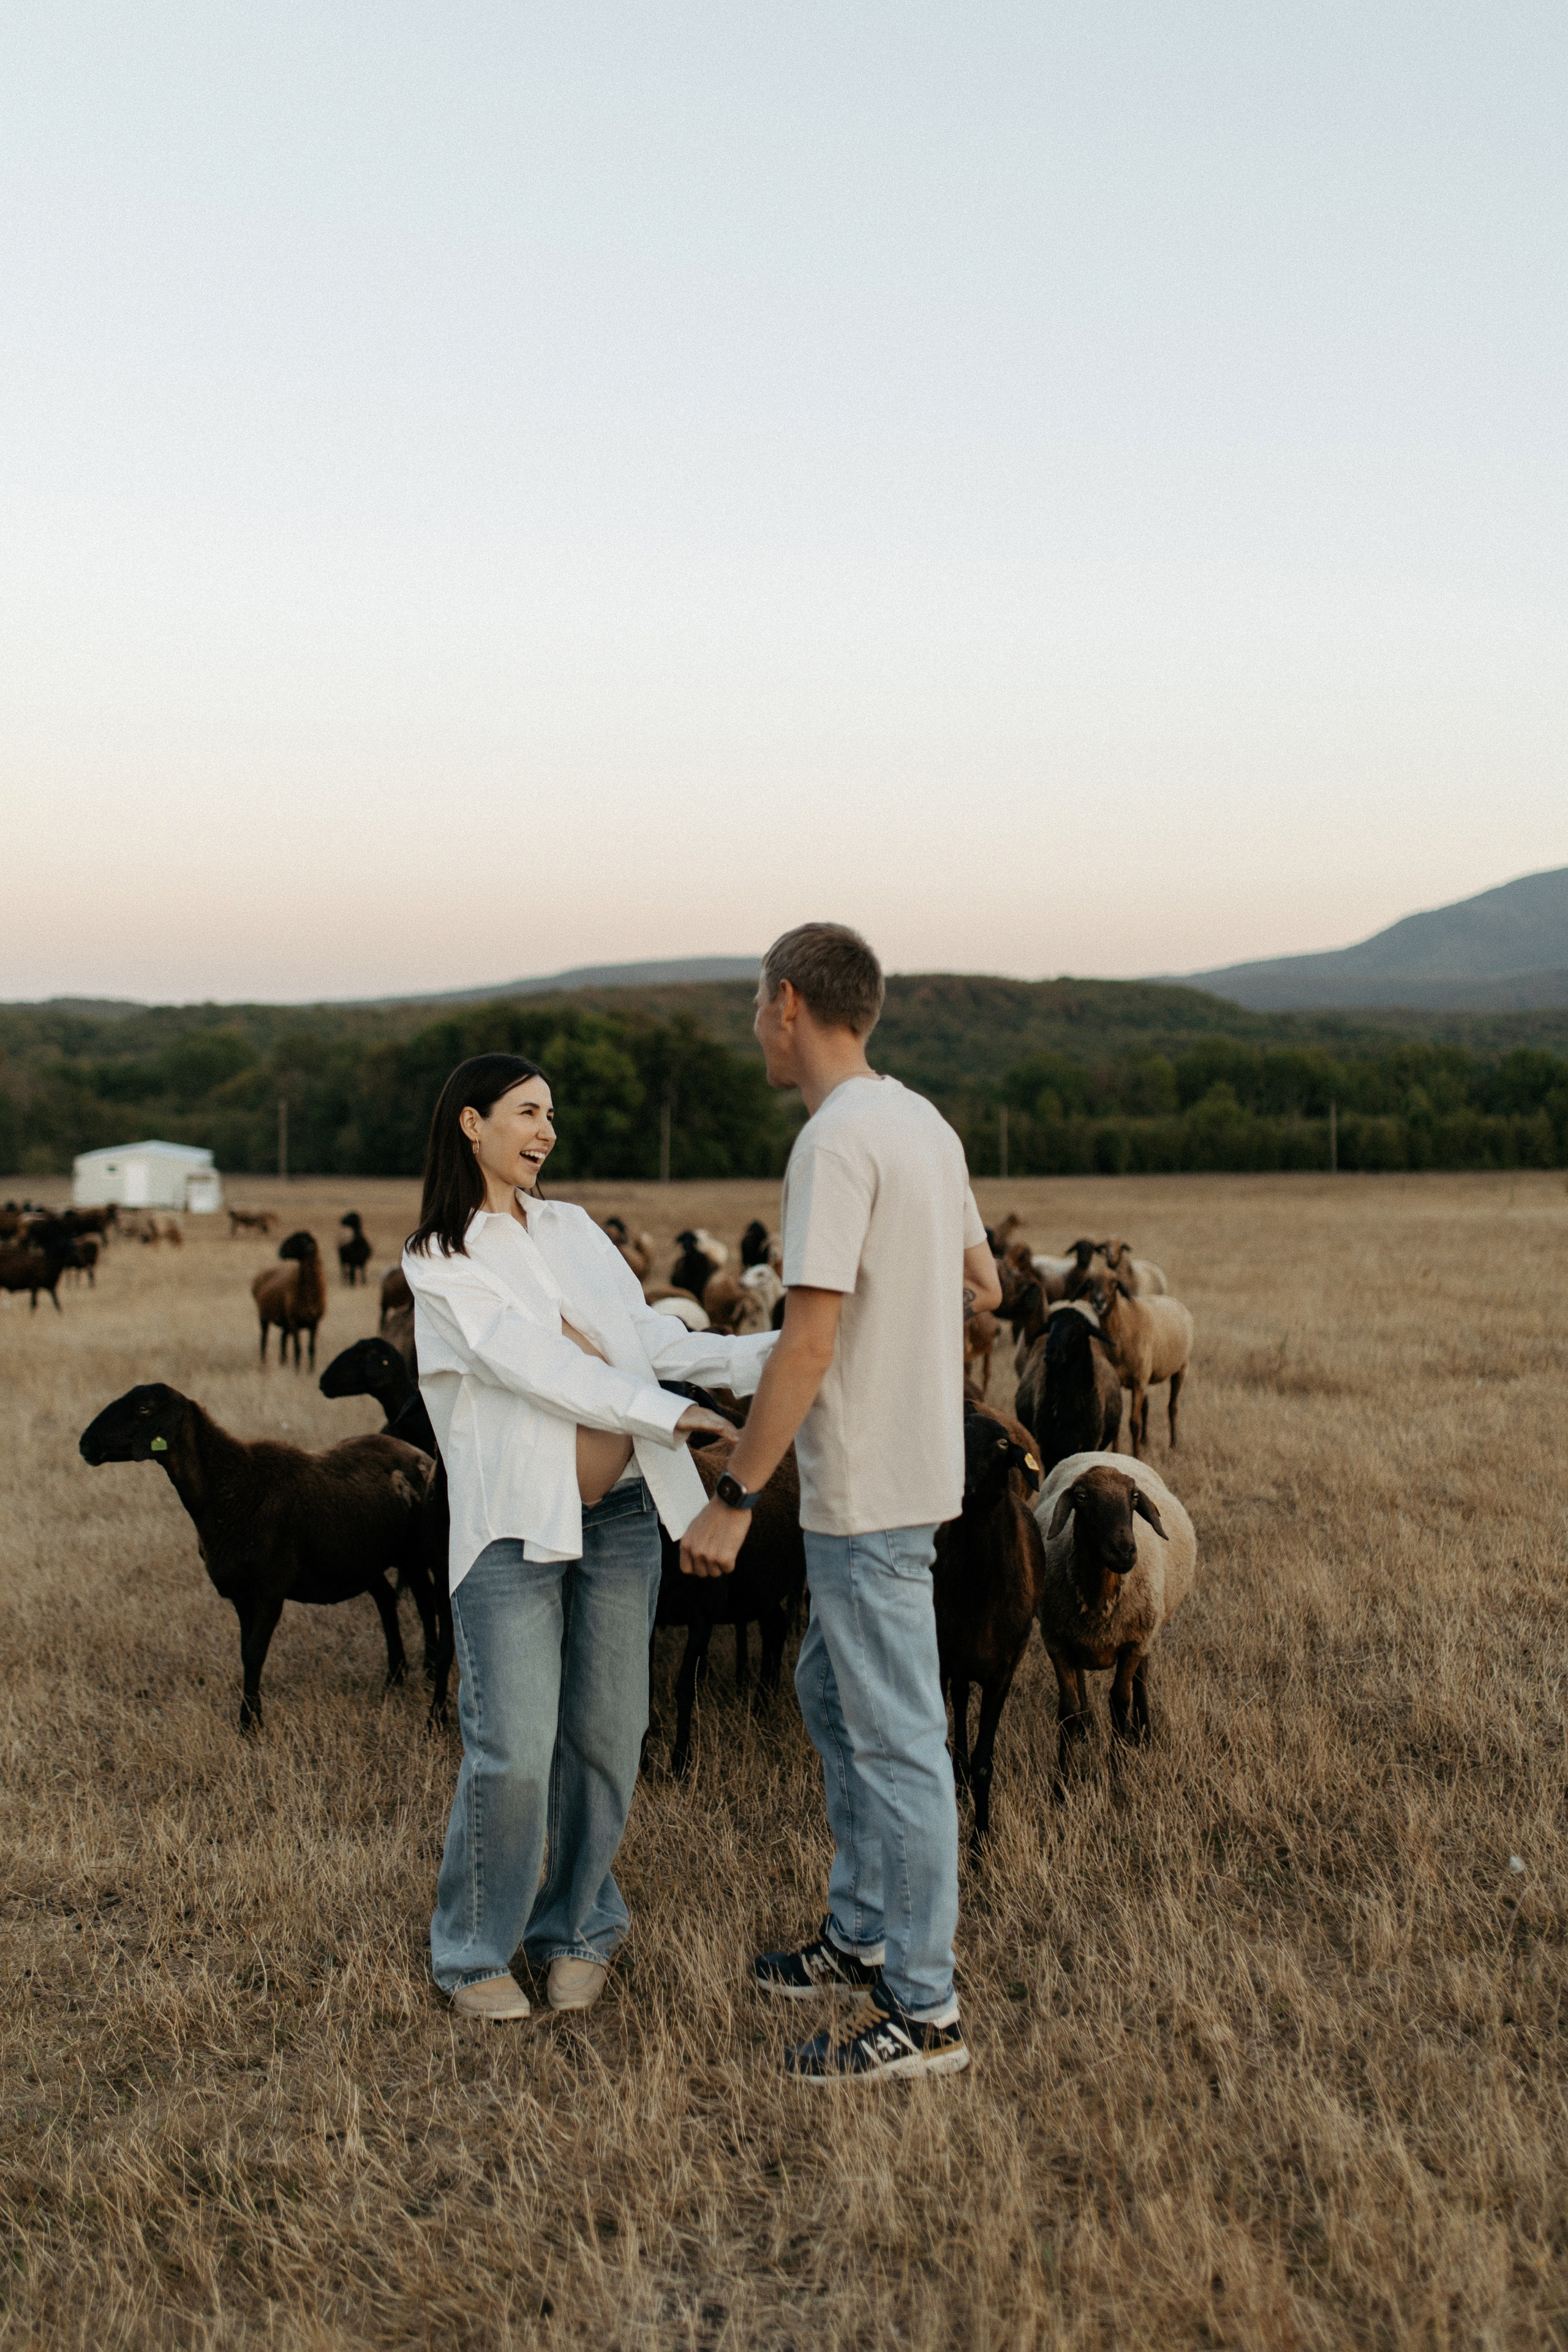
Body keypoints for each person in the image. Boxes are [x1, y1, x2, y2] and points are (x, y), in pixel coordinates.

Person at [681, 924, 1001, 2081]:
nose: (755, 1023)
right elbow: (986, 1281)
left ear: (787, 1005)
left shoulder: (834, 1141)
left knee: (901, 1738)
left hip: (864, 1485)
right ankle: (862, 1934)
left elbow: (813, 1339)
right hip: (914, 1474)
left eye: (757, 1005)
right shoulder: (922, 1123)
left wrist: (735, 1494)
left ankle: (924, 2012)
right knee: (830, 1688)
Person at [404, 1052, 776, 2022]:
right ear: (470, 1124)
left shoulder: (572, 1229)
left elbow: (646, 1341)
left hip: (617, 1523)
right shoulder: (440, 1259)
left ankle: (576, 1926)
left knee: (610, 1737)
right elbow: (528, 1364)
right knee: (514, 1749)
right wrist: (665, 1416)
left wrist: (777, 1348)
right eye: (527, 1114)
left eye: (553, 1116)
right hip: (511, 1532)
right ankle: (473, 1950)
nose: (546, 1133)